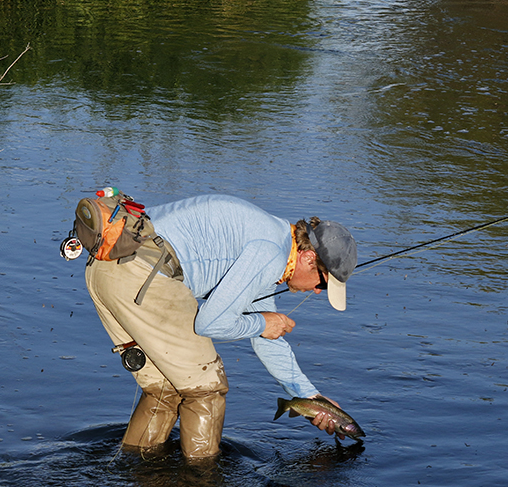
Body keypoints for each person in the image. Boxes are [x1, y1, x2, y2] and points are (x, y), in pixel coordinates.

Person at [84, 193, 358, 462]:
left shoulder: (273, 241)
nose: (319, 292)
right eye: (322, 284)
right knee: (207, 389)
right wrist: (263, 323)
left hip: (107, 267)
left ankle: (134, 469)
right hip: (145, 277)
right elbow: (210, 323)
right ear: (309, 258)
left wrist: (312, 397)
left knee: (165, 389)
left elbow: (267, 339)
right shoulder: (269, 252)